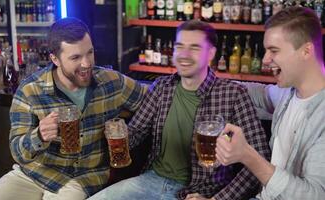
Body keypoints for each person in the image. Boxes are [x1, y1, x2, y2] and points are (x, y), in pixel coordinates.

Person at [88, 20, 270, 200]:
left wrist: (219, 199)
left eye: (195, 48)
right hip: (151, 180)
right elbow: (136, 132)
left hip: (201, 192)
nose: (184, 55)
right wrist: (116, 133)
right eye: (179, 46)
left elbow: (259, 157)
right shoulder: (162, 87)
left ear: (211, 53)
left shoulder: (233, 94)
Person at [0, 17, 147, 200]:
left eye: (90, 53)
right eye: (76, 57)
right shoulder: (31, 89)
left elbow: (151, 99)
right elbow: (17, 152)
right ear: (55, 59)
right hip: (34, 173)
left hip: (82, 178)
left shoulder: (112, 82)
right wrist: (39, 136)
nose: (86, 63)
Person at [215, 7, 325, 200]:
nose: (265, 60)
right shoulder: (287, 94)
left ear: (306, 51)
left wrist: (247, 155)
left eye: (273, 50)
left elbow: (315, 195)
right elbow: (255, 92)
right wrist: (207, 80)